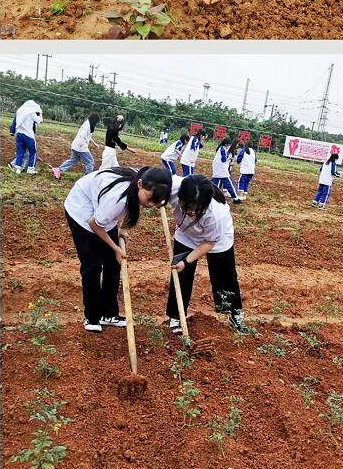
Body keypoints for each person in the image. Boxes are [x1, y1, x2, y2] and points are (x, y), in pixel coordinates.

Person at [63, 166, 172, 332]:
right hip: (82, 210)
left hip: (101, 209)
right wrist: (115, 248)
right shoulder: (117, 198)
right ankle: (92, 317)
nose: (150, 204)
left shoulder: (145, 181)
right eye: (149, 199)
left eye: (155, 202)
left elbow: (128, 206)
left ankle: (109, 313)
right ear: (140, 184)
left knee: (113, 264)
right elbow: (95, 224)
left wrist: (122, 229)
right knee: (92, 266)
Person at [165, 174, 251, 334]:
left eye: (195, 209)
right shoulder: (174, 188)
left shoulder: (216, 214)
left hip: (217, 240)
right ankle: (176, 316)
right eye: (186, 207)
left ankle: (234, 313)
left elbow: (209, 243)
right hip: (187, 234)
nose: (190, 212)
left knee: (225, 276)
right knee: (180, 274)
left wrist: (187, 260)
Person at [53, 113, 100, 179]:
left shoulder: (87, 123)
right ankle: (87, 178)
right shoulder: (87, 125)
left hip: (75, 145)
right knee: (90, 161)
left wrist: (95, 143)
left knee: (74, 159)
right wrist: (81, 144)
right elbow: (82, 135)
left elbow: (88, 136)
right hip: (81, 147)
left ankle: (59, 169)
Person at [8, 99, 43, 175]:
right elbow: (40, 121)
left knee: (20, 152)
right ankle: (30, 169)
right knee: (33, 153)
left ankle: (17, 169)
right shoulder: (31, 113)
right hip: (28, 135)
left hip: (19, 134)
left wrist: (12, 131)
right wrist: (40, 113)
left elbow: (14, 121)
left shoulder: (19, 112)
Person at [211, 137, 239, 202]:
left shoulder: (220, 148)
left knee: (215, 184)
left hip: (217, 169)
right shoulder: (223, 149)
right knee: (229, 184)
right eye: (229, 145)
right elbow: (223, 159)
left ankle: (212, 197)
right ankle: (235, 198)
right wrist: (230, 158)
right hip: (222, 170)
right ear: (226, 144)